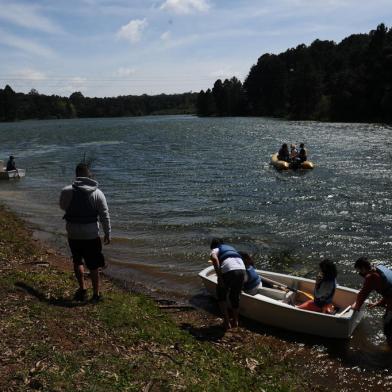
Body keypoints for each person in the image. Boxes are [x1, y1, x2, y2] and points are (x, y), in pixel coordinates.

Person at [60, 162, 111, 302]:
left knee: (77, 262)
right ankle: (96, 294)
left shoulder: (66, 190)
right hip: (91, 235)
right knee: (94, 266)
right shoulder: (97, 193)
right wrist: (107, 233)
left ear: (76, 175)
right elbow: (104, 215)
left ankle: (82, 289)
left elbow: (63, 207)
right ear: (89, 175)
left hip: (73, 234)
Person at [351, 257, 392, 346]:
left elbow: (363, 294)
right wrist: (379, 303)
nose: (359, 273)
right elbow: (388, 289)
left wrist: (356, 306)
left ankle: (389, 348)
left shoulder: (371, 276)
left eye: (359, 270)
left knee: (388, 324)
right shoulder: (379, 267)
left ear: (363, 268)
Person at [209, 238, 246, 329]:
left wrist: (220, 277)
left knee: (221, 296)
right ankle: (235, 321)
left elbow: (214, 258)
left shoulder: (216, 249)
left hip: (229, 270)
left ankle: (226, 322)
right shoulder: (231, 247)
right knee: (234, 296)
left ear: (213, 246)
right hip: (242, 270)